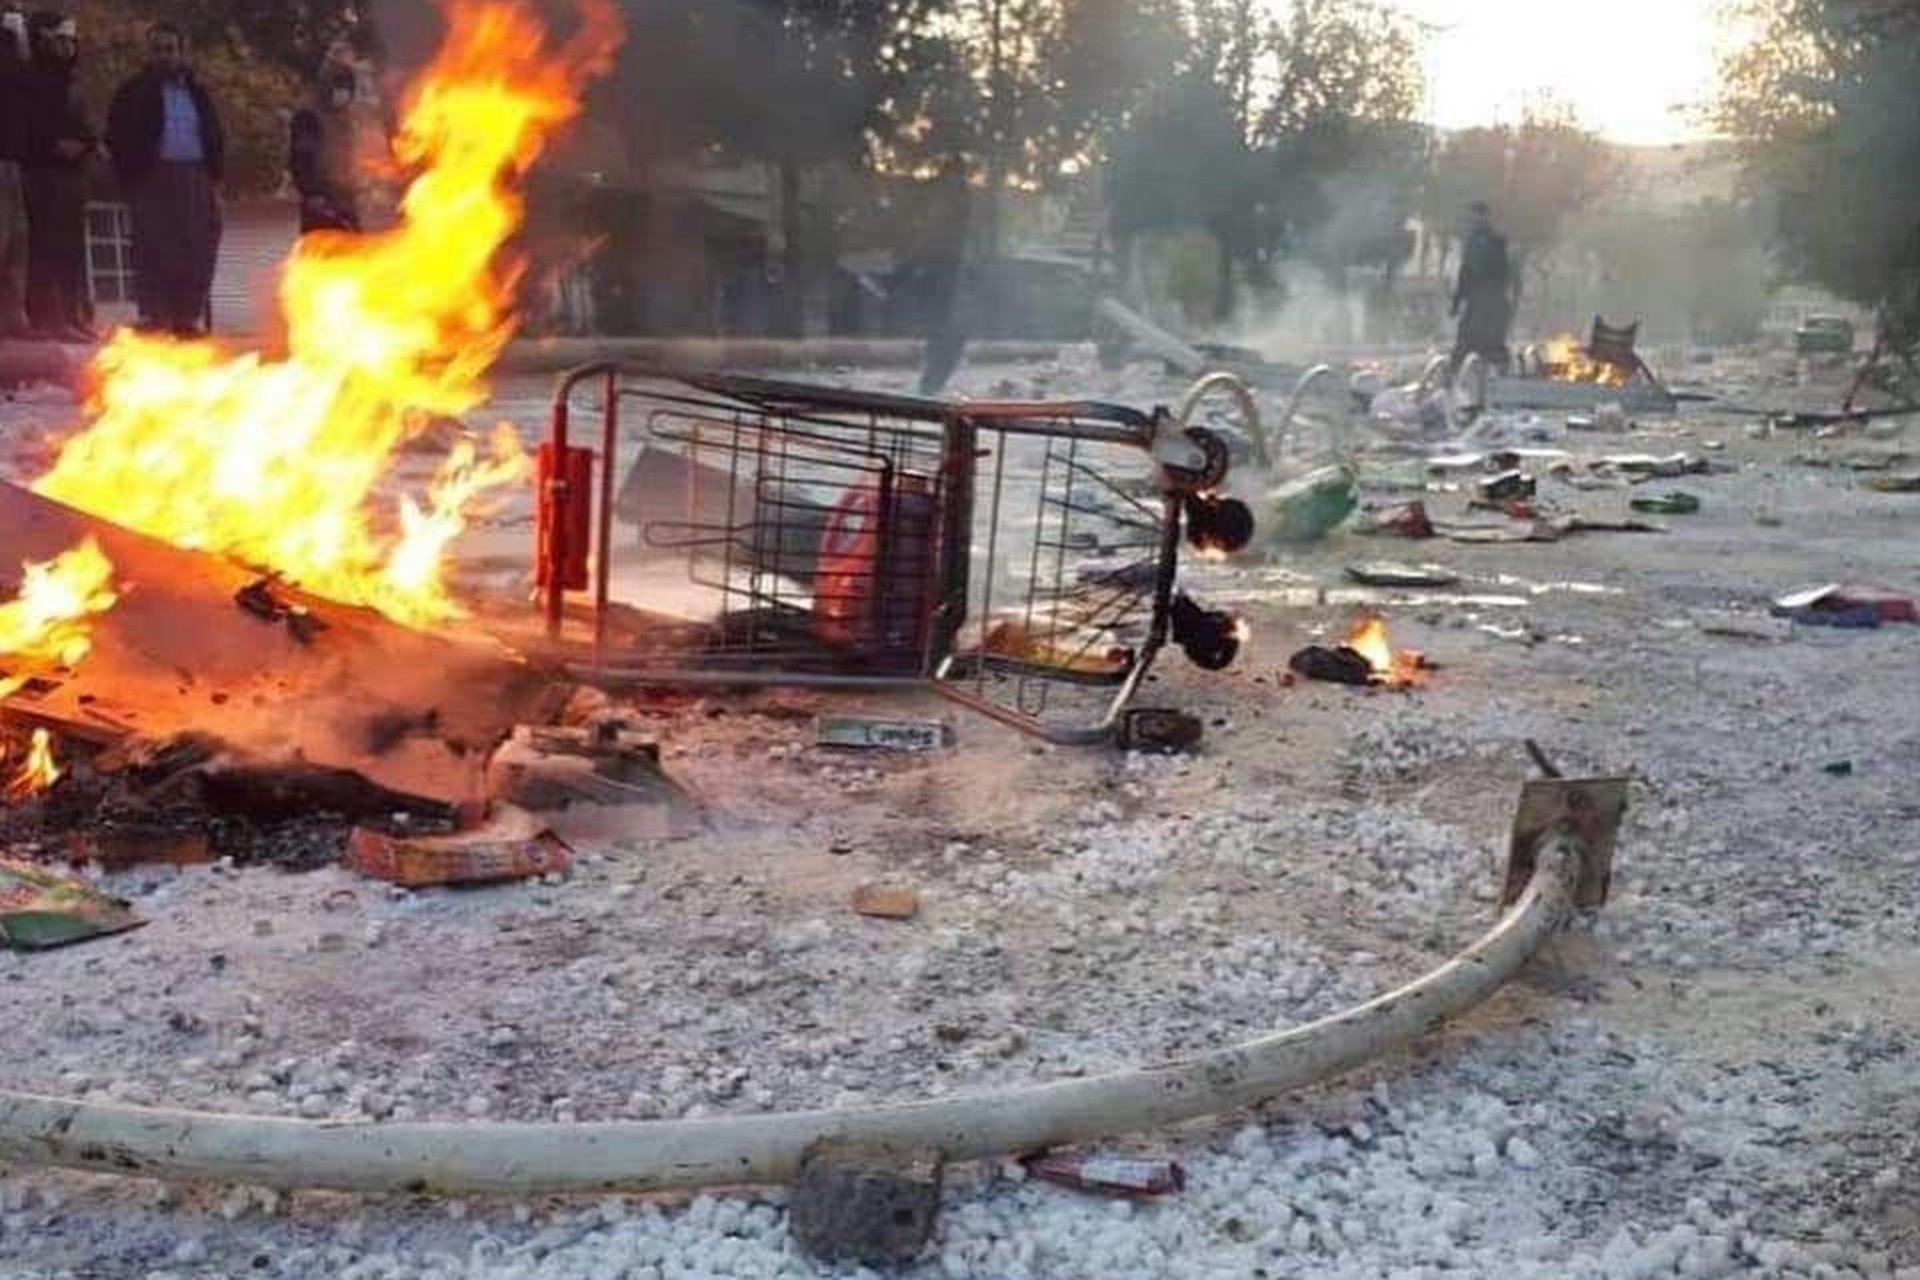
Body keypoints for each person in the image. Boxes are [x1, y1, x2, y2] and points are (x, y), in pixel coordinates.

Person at [106, 22, 225, 337]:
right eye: (158, 50)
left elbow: (214, 135)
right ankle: (155, 316)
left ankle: (188, 317)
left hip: (196, 176)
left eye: (170, 49)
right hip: (152, 178)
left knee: (197, 248)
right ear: (149, 53)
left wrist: (215, 177)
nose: (164, 56)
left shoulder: (198, 93)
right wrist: (131, 179)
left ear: (182, 52)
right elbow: (116, 137)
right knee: (153, 247)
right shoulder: (132, 92)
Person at [22, 11, 95, 342]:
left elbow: (86, 128)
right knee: (46, 247)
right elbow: (25, 129)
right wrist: (53, 146)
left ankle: (73, 314)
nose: (68, 47)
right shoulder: (30, 79)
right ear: (44, 40)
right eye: (61, 40)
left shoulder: (73, 82)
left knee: (71, 248)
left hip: (72, 176)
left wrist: (87, 144)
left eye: (71, 41)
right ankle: (48, 318)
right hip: (42, 174)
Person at [288, 62, 364, 234]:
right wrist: (312, 192)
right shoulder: (309, 116)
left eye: (347, 87)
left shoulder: (343, 115)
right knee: (322, 247)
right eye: (339, 86)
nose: (343, 92)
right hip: (321, 199)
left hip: (344, 196)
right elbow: (301, 159)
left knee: (352, 246)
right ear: (326, 86)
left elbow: (348, 151)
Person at [1450, 201, 1516, 375]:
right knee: (1493, 346)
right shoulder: (1499, 241)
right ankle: (1504, 382)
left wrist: (1457, 303)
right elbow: (1509, 274)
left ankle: (1450, 382)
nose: (1470, 221)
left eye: (1472, 217)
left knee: (1465, 344)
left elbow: (1465, 273)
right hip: (1496, 300)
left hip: (1481, 299)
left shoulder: (1475, 242)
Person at [0, 3, 33, 338]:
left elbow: (26, 84)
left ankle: (12, 314)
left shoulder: (18, 42)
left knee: (18, 238)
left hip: (14, 157)